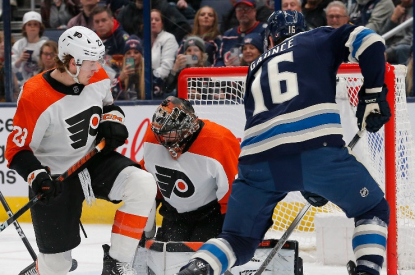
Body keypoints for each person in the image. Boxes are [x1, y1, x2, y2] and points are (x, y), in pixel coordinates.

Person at [177, 10, 391, 275]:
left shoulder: (255, 67)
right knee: (372, 208)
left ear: (270, 39)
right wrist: (372, 94)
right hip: (315, 149)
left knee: (237, 240)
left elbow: (271, 128)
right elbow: (369, 39)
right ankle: (367, 271)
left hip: (256, 162)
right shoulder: (316, 38)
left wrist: (303, 181)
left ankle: (197, 267)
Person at [5, 26, 156, 275]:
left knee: (142, 183)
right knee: (58, 267)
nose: (98, 68)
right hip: (55, 175)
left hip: (93, 159)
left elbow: (109, 106)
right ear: (73, 63)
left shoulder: (96, 77)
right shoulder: (34, 96)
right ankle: (43, 269)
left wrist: (113, 121)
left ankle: (117, 263)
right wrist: (38, 177)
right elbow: (16, 150)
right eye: (92, 63)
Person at [140, 96, 240, 242]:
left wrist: (231, 233)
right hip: (174, 213)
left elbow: (233, 191)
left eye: (170, 133)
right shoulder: (153, 137)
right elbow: (149, 178)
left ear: (188, 128)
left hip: (210, 215)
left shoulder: (219, 141)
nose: (163, 140)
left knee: (201, 257)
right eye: (160, 133)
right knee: (169, 257)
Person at [217, 0, 266, 67]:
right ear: (236, 12)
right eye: (239, 8)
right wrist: (225, 68)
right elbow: (218, 61)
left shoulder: (265, 31)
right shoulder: (228, 35)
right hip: (231, 75)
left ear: (254, 11)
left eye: (247, 8)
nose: (243, 11)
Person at [12, 11, 48, 86]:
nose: (32, 27)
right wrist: (20, 60)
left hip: (43, 83)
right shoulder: (18, 44)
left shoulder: (46, 44)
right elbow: (12, 69)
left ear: (40, 27)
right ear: (24, 28)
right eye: (29, 24)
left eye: (35, 24)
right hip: (23, 84)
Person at [151, 9, 179, 97]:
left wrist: (149, 78)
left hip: (164, 85)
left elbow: (166, 69)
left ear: (162, 23)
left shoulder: (169, 38)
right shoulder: (142, 40)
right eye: (150, 19)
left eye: (157, 20)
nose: (153, 22)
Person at [111, 35, 145, 100]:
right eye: (128, 53)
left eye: (136, 52)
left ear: (141, 56)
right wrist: (120, 80)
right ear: (125, 56)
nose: (132, 55)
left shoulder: (149, 75)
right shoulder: (118, 76)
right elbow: (111, 99)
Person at [381, 0, 413, 65]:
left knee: (402, 49)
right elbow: (384, 35)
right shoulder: (397, 8)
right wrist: (393, 19)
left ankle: (406, 74)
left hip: (406, 46)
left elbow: (411, 37)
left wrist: (391, 51)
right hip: (393, 46)